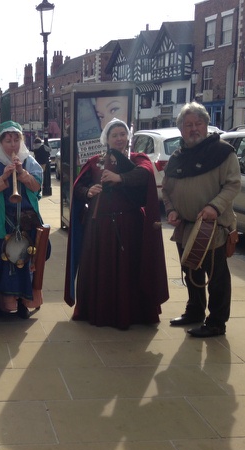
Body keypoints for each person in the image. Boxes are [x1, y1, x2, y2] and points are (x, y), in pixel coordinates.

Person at [64, 118, 169, 329]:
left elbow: (145, 175)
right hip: (100, 228)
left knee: (128, 270)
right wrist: (88, 191)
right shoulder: (96, 161)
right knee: (101, 270)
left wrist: (120, 177)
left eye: (123, 134)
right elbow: (78, 186)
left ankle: (130, 313)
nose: (119, 138)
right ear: (107, 139)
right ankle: (100, 312)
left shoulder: (138, 159)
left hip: (130, 227)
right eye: (115, 135)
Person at [163, 102, 241, 338]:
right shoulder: (177, 158)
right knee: (191, 272)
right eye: (188, 125)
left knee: (216, 277)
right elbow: (166, 190)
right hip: (186, 227)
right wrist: (171, 210)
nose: (193, 129)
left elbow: (233, 184)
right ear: (181, 129)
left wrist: (214, 207)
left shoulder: (223, 152)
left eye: (198, 123)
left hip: (212, 227)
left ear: (206, 125)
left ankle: (217, 322)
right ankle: (195, 311)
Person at [0, 120, 50, 318]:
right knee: (0, 261)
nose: (12, 145)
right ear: (0, 142)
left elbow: (37, 187)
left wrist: (21, 173)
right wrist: (3, 178)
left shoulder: (29, 160)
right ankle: (2, 305)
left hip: (26, 220)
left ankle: (23, 303)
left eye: (16, 139)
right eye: (7, 140)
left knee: (27, 259)